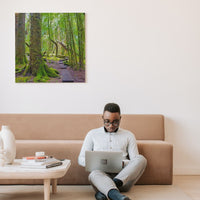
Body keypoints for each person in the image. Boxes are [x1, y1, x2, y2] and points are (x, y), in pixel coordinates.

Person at [78, 103, 147, 200]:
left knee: (141, 159)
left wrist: (122, 163)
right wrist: (96, 163)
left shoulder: (129, 135)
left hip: (123, 180)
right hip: (100, 178)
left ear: (120, 118)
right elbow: (80, 159)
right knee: (93, 174)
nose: (111, 126)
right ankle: (117, 196)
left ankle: (108, 189)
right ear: (102, 118)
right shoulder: (92, 134)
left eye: (115, 122)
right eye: (107, 122)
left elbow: (134, 160)